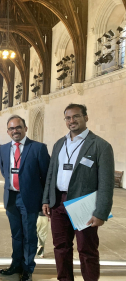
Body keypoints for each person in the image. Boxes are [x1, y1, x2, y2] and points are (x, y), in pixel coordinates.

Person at [42, 104, 114, 281]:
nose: (72, 121)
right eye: (68, 118)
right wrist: (46, 200)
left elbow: (106, 183)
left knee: (87, 249)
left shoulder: (100, 146)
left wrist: (101, 212)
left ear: (86, 117)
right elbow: (51, 174)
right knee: (60, 247)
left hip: (84, 204)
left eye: (76, 116)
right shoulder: (60, 143)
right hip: (58, 202)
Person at [0, 115, 50, 281]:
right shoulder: (4, 149)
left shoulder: (38, 148)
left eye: (18, 127)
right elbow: (4, 171)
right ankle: (16, 264)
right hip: (11, 198)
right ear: (8, 131)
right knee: (16, 234)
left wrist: (44, 200)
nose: (15, 131)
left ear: (25, 128)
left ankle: (28, 268)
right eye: (12, 128)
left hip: (29, 198)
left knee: (29, 235)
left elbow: (46, 175)